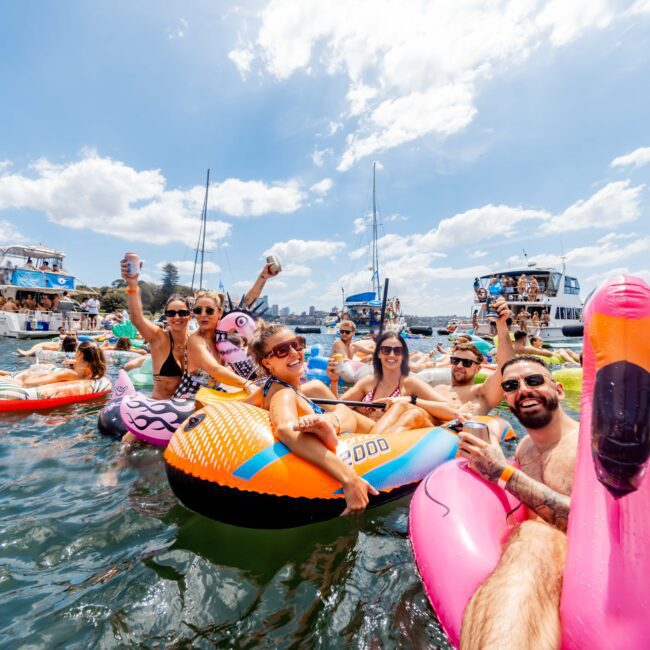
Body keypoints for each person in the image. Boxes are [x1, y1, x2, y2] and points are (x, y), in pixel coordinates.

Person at [249, 324, 468, 515]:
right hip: (363, 443)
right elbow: (286, 429)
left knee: (402, 406)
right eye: (282, 350)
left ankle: (332, 422)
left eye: (297, 344)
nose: (295, 352)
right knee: (410, 413)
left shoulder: (283, 388)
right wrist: (349, 478)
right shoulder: (283, 393)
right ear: (267, 362)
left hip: (357, 426)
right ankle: (332, 424)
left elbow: (245, 402)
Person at [458, 356, 578, 649]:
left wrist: (504, 473)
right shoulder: (525, 448)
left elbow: (591, 524)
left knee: (534, 534)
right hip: (532, 571)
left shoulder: (589, 443)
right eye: (511, 386)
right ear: (508, 400)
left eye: (534, 381)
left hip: (574, 566)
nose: (523, 390)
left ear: (559, 390)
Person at [330, 331, 474, 424]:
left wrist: (410, 400)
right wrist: (334, 382)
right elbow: (338, 406)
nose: (392, 355)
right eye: (386, 350)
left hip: (389, 439)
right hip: (363, 431)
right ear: (379, 354)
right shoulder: (369, 381)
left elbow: (447, 407)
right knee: (316, 387)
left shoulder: (410, 383)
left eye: (397, 351)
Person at [430, 297, 514, 417]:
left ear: (478, 368)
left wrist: (501, 324)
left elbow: (507, 369)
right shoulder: (438, 389)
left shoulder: (481, 393)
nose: (459, 365)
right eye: (455, 360)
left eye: (467, 362)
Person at [173, 290, 257, 400]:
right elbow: (214, 370)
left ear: (220, 313)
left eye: (209, 311)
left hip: (211, 396)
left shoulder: (221, 340)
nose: (203, 315)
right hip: (189, 398)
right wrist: (247, 384)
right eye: (198, 310)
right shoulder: (196, 340)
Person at [5, 340, 107, 388]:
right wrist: (75, 362)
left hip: (25, 381)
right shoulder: (91, 372)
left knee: (11, 375)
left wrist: (29, 376)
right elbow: (85, 366)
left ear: (79, 354)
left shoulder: (68, 374)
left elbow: (27, 384)